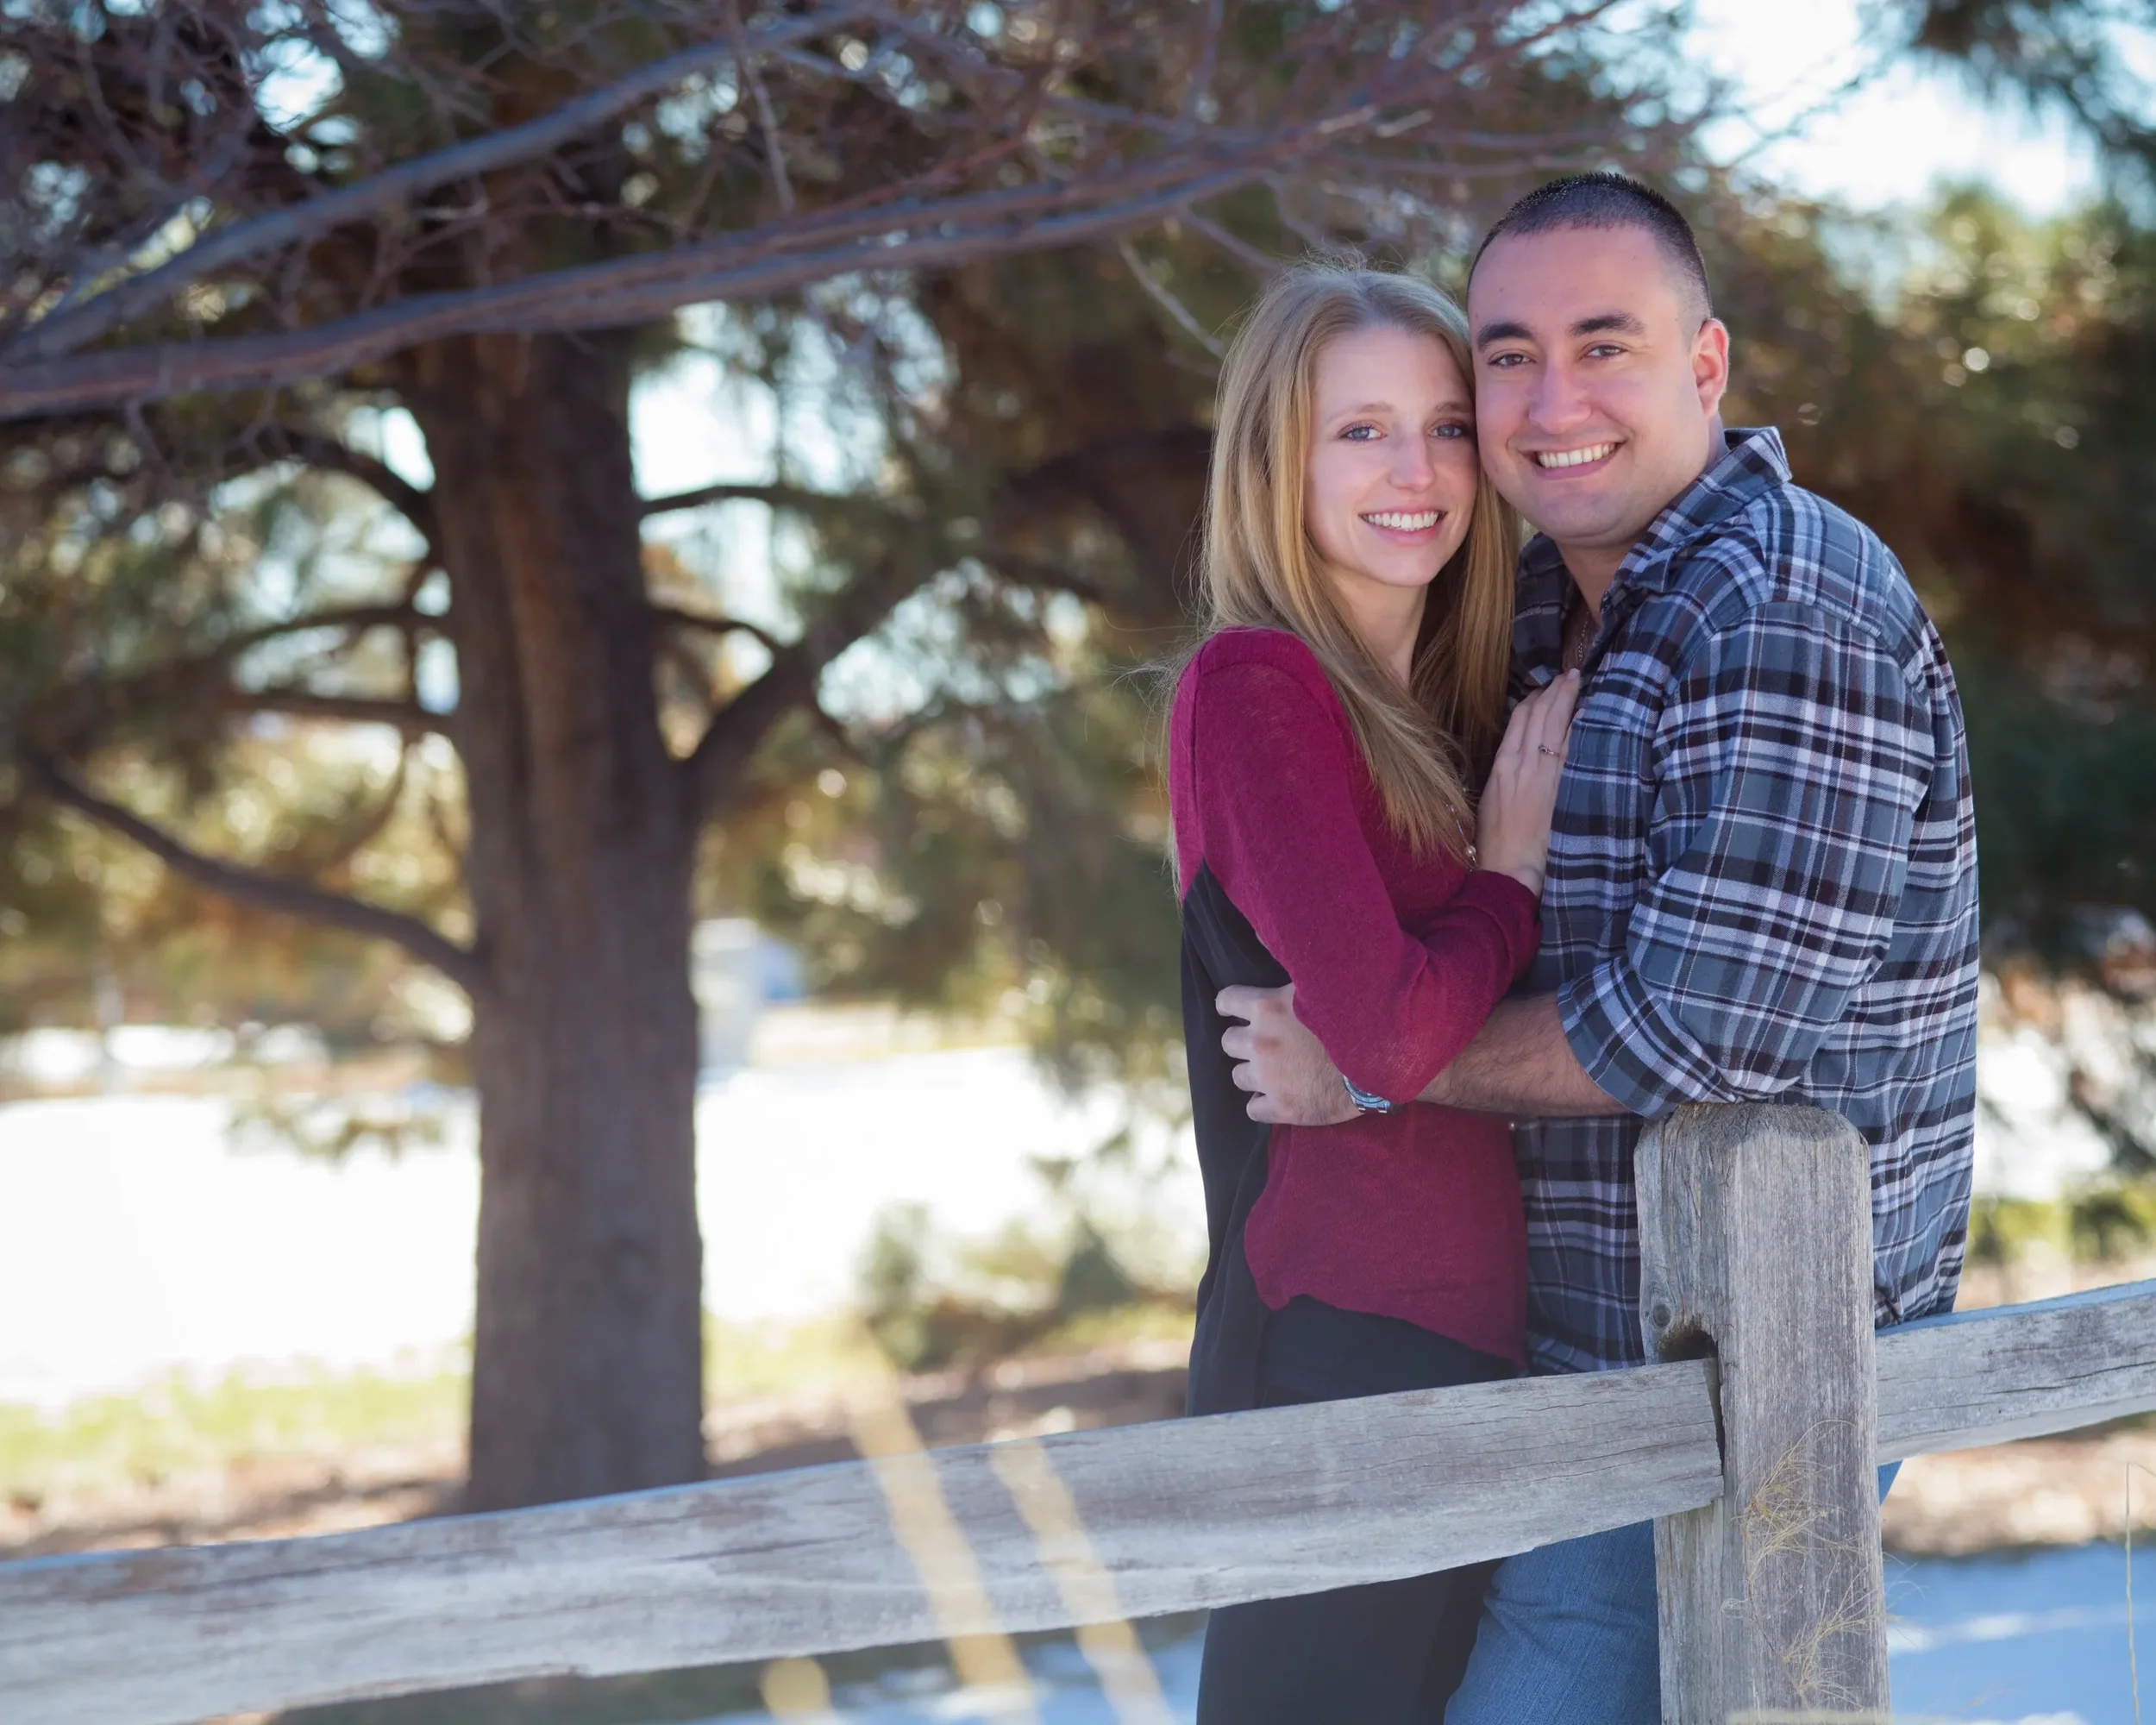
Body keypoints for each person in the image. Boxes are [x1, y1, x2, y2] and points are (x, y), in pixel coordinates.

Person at [1218, 174, 1981, 1724]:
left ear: (1705, 364)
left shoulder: (1778, 599)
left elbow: (1703, 1036)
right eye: (1506, 354)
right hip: (1551, 1352)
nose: (1549, 400)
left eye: (1604, 344)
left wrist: (1372, 1079)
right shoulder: (1532, 616)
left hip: (1741, 1367)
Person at [1169, 259, 1579, 1723]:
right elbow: (1393, 1026)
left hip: (1461, 1342)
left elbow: (1389, 1045)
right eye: (1361, 432)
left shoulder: (1443, 708)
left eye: (1447, 426)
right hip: (1337, 1346)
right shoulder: (1256, 686)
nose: (1417, 471)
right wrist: (1509, 880)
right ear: (1277, 460)